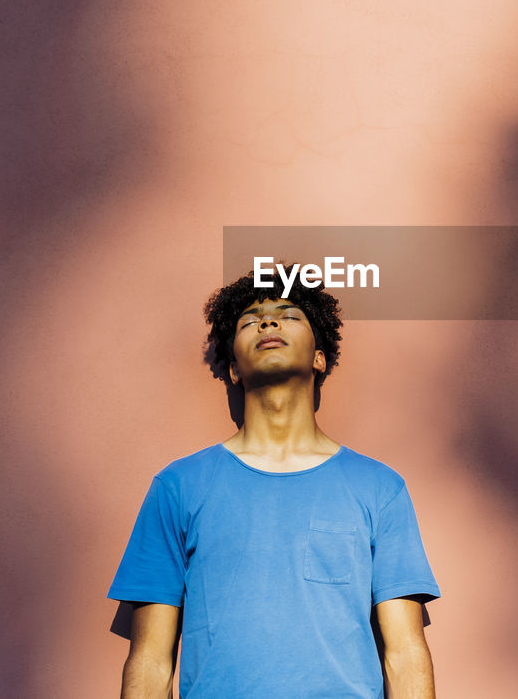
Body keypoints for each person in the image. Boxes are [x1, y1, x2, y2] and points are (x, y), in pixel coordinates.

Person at [109, 269, 440, 698]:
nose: (267, 323)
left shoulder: (379, 489)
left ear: (319, 357)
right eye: (250, 320)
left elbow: (405, 654)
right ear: (232, 369)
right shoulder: (178, 487)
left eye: (288, 315)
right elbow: (151, 660)